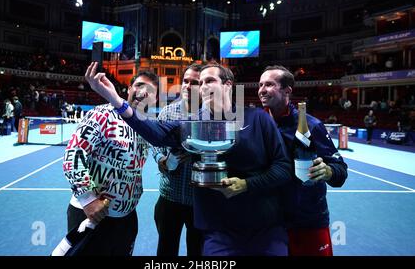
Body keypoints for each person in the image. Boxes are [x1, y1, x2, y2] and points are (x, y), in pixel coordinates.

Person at [86, 61, 292, 256]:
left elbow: (283, 167)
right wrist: (116, 100)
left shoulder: (258, 118)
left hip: (264, 228)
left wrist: (246, 184)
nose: (202, 87)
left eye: (209, 80)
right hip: (217, 232)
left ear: (228, 85)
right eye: (200, 83)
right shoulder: (192, 124)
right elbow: (155, 133)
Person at [62, 70, 159, 256]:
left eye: (150, 91)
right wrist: (87, 199)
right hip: (91, 214)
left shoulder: (146, 127)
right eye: (139, 85)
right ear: (129, 89)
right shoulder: (102, 114)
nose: (143, 92)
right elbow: (74, 155)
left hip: (127, 218)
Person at [258, 65, 348, 256]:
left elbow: (340, 170)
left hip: (307, 223)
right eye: (260, 85)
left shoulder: (312, 126)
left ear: (287, 90)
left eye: (269, 84)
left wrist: (328, 171)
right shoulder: (257, 125)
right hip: (268, 222)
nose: (262, 90)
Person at [152, 63, 203, 256]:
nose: (188, 86)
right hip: (169, 198)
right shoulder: (167, 112)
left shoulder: (212, 115)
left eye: (195, 83)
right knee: (165, 251)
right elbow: (155, 143)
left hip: (198, 201)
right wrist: (161, 160)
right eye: (185, 81)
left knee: (197, 252)